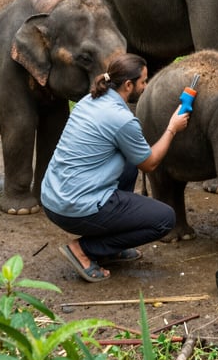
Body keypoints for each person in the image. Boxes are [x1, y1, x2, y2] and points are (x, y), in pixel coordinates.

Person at [41, 53, 190, 283]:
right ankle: (84, 249)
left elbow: (136, 159)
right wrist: (172, 128)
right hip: (74, 206)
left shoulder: (89, 100)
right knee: (165, 219)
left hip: (52, 197)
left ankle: (111, 247)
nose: (146, 86)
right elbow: (150, 164)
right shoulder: (122, 119)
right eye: (143, 81)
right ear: (128, 85)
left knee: (130, 161)